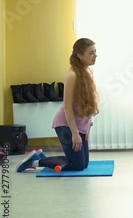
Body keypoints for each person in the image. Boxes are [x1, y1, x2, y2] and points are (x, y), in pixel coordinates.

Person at [16, 38, 99, 172]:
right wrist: (75, 133)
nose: (95, 55)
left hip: (81, 123)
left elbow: (90, 101)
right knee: (77, 165)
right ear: (79, 55)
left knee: (84, 164)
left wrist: (89, 125)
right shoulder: (72, 75)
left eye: (95, 52)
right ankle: (35, 161)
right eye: (91, 53)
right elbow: (67, 106)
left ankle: (41, 156)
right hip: (66, 124)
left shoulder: (89, 72)